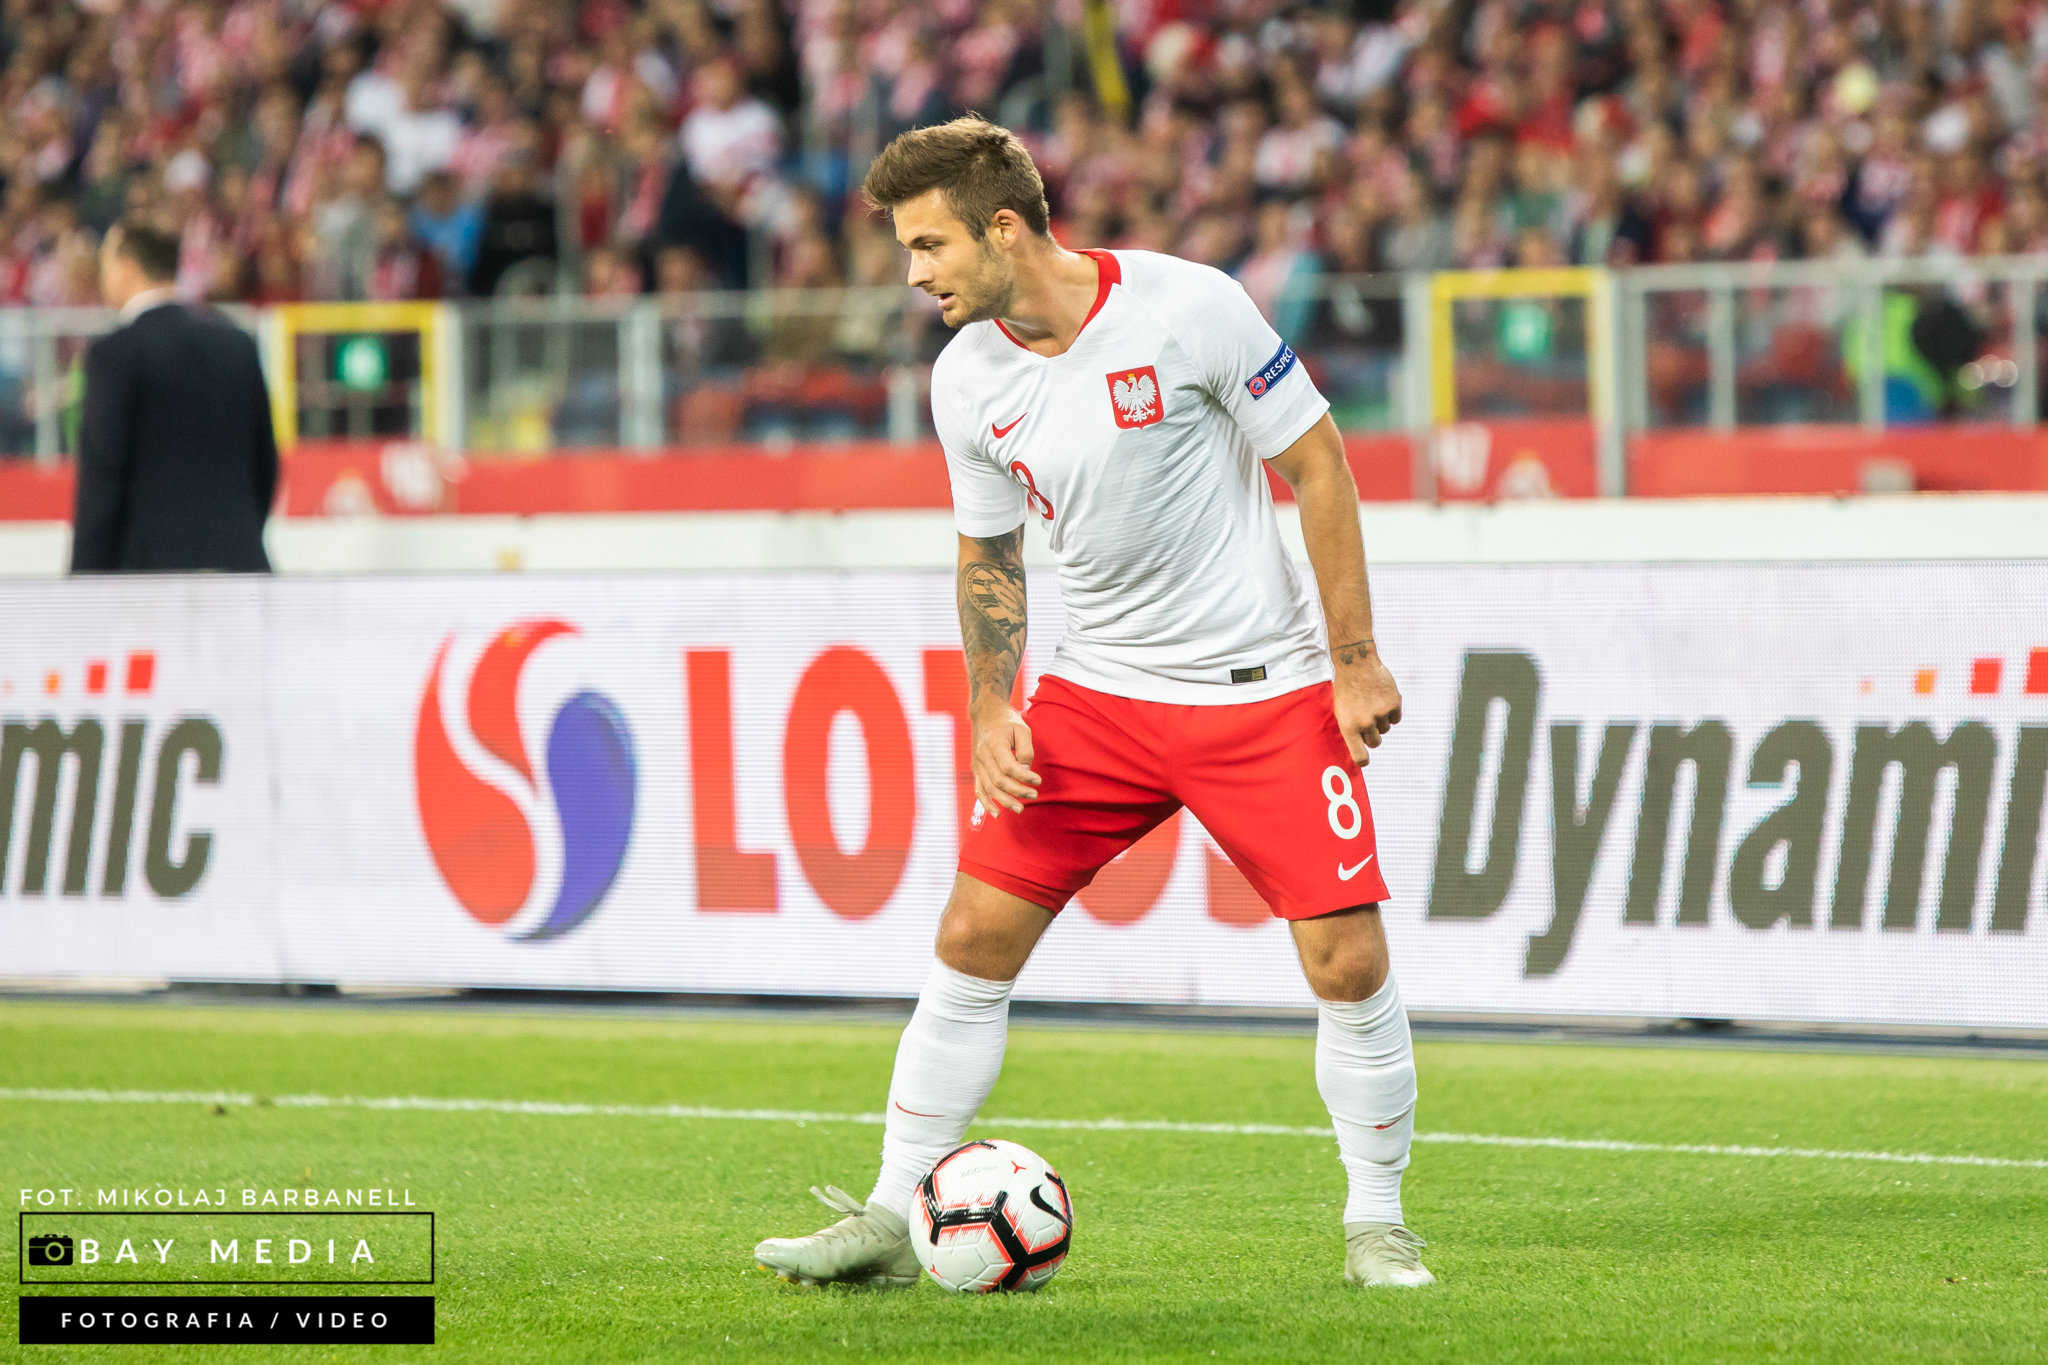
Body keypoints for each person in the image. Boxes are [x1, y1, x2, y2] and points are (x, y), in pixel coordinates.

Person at [752, 117, 1429, 1290]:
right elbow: (988, 555)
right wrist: (990, 707)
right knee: (971, 938)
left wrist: (1353, 657)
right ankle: (890, 1217)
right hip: (1098, 695)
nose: (912, 274)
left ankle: (1376, 1223)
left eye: (928, 245)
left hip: (1257, 691)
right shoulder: (963, 377)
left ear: (1002, 229)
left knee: (1344, 960)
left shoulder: (1189, 306)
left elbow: (1317, 464)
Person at [72, 220, 278, 573]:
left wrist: (84, 579)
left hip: (149, 577)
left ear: (127, 268)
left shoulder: (115, 354)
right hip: (239, 567)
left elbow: (103, 478)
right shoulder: (237, 344)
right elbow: (265, 464)